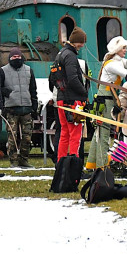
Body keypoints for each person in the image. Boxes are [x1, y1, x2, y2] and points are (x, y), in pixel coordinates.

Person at [85, 37, 127, 173]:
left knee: (98, 133)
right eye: (123, 48)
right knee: (103, 133)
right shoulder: (112, 64)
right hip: (105, 101)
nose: (125, 51)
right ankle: (102, 166)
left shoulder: (117, 61)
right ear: (117, 49)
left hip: (108, 99)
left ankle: (92, 164)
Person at [0, 47, 38, 169]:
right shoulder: (3, 71)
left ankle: (24, 160)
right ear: (9, 58)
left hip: (27, 108)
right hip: (11, 109)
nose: (16, 59)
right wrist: (4, 96)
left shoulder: (29, 70)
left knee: (27, 137)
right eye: (14, 57)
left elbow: (33, 89)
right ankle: (13, 161)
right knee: (12, 137)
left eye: (18, 56)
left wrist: (34, 105)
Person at [55, 27, 89, 160]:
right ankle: (74, 164)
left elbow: (51, 79)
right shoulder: (70, 56)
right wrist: (84, 93)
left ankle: (61, 162)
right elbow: (73, 79)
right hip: (73, 101)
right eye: (81, 42)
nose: (83, 45)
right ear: (76, 42)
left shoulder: (60, 54)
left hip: (61, 100)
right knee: (75, 134)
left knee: (64, 133)